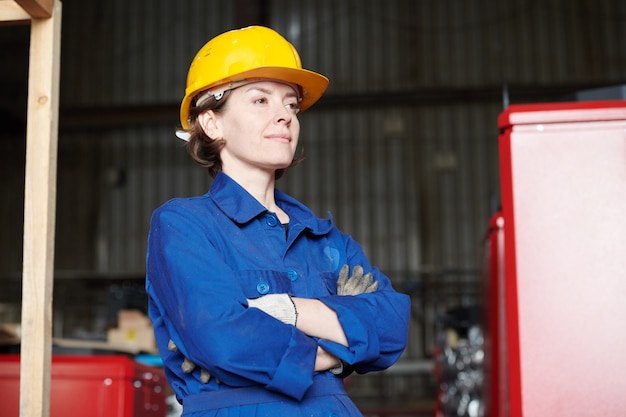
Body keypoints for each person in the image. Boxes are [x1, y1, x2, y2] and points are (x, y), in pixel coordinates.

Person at [146, 25, 410, 417]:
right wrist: (342, 348)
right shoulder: (184, 225)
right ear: (211, 123)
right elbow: (225, 342)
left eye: (291, 105)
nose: (284, 116)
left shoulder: (325, 239)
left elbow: (392, 327)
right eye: (260, 101)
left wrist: (288, 310)